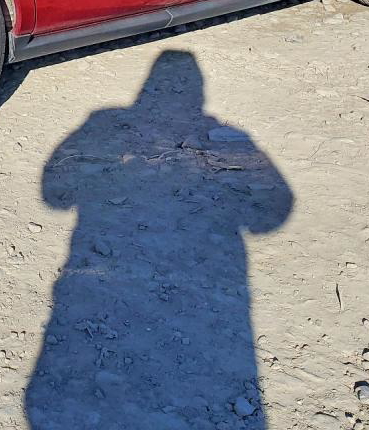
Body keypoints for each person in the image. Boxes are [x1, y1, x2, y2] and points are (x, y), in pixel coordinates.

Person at [26, 49, 293, 429]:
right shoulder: (235, 137)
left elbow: (53, 195)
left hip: (88, 289)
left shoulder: (100, 121)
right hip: (211, 305)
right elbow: (276, 212)